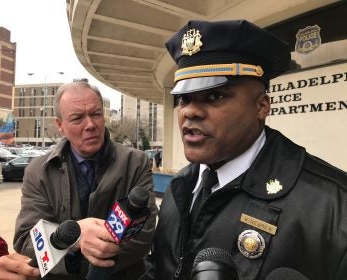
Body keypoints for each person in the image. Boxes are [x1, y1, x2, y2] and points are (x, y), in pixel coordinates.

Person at [141, 20, 347, 280]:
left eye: (215, 96)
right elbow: (159, 268)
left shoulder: (333, 208)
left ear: (261, 107)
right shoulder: (180, 186)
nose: (190, 111)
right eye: (185, 98)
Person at [13, 82, 157, 280]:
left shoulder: (135, 162)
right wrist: (76, 237)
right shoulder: (38, 172)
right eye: (77, 118)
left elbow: (144, 234)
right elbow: (26, 240)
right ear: (60, 125)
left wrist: (94, 259)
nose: (90, 125)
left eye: (96, 114)